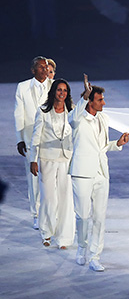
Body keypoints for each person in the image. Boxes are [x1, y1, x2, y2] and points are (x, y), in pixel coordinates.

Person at [69, 74, 129, 272]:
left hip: (102, 173)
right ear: (90, 101)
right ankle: (82, 248)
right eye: (100, 99)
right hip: (82, 172)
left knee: (100, 217)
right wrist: (84, 96)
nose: (104, 102)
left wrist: (117, 144)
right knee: (83, 217)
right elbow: (73, 117)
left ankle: (95, 256)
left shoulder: (104, 118)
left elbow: (102, 146)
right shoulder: (77, 118)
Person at [30, 79, 75, 249]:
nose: (62, 93)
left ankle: (63, 238)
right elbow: (36, 136)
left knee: (65, 198)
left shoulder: (71, 111)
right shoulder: (43, 111)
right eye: (59, 90)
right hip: (46, 159)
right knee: (48, 198)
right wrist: (33, 159)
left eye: (64, 90)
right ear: (53, 92)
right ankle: (46, 232)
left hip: (66, 159)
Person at [14, 56, 54, 229]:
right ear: (33, 70)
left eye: (46, 67)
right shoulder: (23, 87)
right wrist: (20, 139)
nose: (45, 70)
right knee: (34, 179)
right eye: (41, 67)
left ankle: (52, 213)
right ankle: (36, 214)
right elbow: (19, 114)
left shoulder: (54, 86)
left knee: (52, 177)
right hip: (31, 139)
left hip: (51, 139)